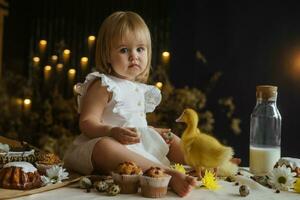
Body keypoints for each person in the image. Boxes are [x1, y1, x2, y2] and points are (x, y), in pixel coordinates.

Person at [64, 11, 196, 197]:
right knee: (104, 147)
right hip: (108, 145)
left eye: (140, 49)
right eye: (124, 50)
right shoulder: (102, 84)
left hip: (134, 146)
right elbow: (86, 122)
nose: (134, 56)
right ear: (107, 54)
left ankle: (203, 164)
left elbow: (135, 124)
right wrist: (111, 131)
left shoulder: (139, 88)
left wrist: (151, 131)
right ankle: (165, 174)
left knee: (169, 136)